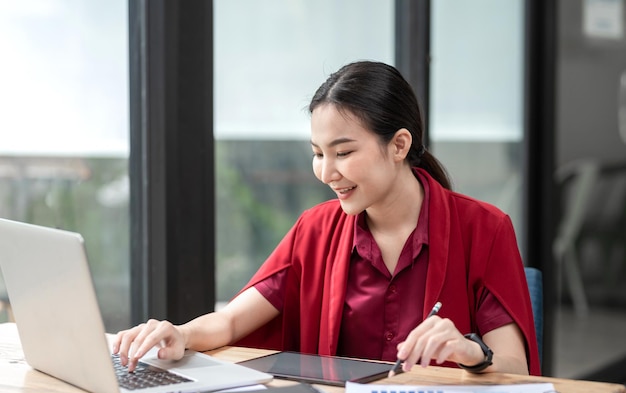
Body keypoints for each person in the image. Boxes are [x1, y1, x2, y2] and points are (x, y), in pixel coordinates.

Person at [113, 60, 541, 376]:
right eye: (318, 154)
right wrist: (180, 334)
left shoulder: (484, 229)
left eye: (344, 152)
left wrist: (472, 352)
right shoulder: (314, 229)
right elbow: (230, 321)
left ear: (398, 145)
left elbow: (515, 368)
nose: (326, 172)